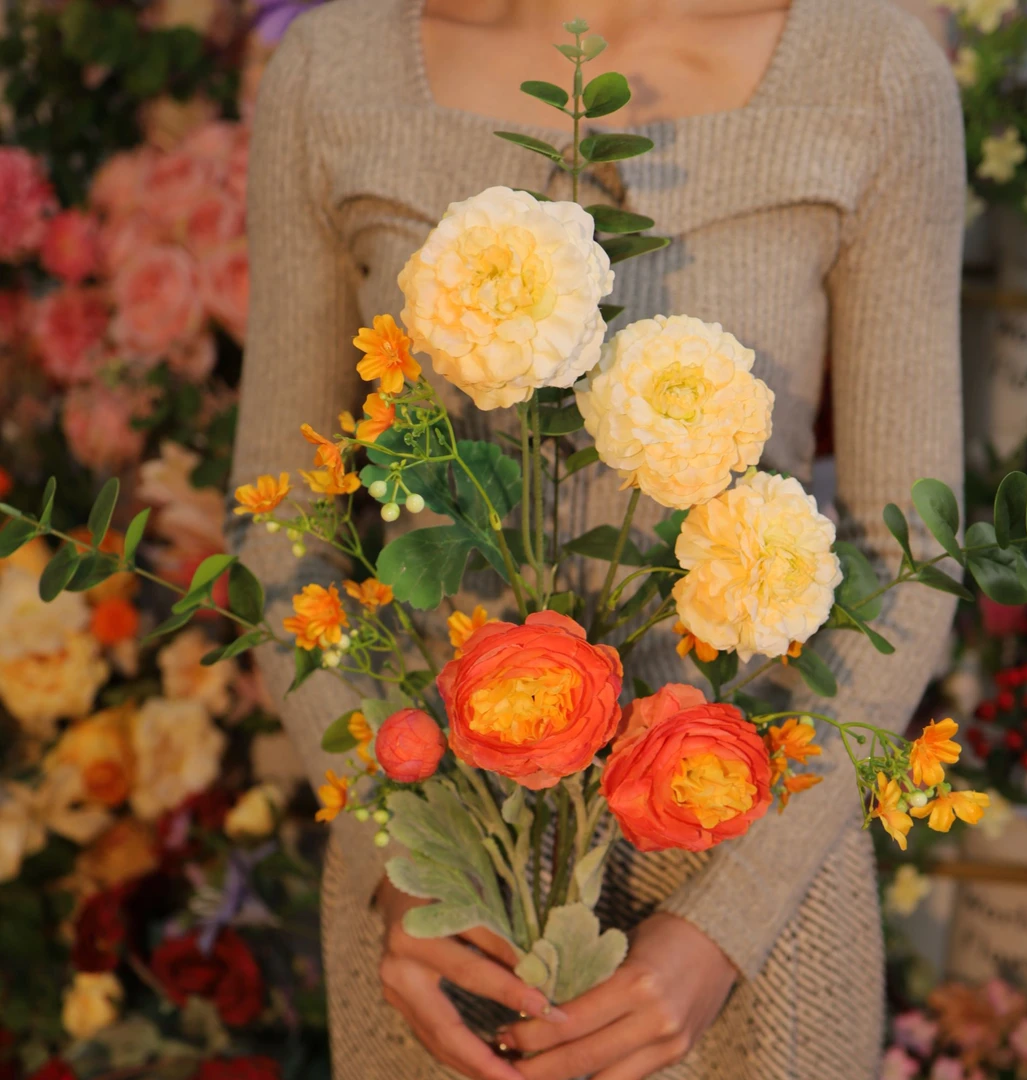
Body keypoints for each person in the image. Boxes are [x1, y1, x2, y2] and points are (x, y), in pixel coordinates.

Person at [229, 0, 965, 1076]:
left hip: (753, 900)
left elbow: (910, 558)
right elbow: (276, 533)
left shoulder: (873, 68)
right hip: (449, 930)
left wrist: (725, 927)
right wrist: (410, 859)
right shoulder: (336, 70)